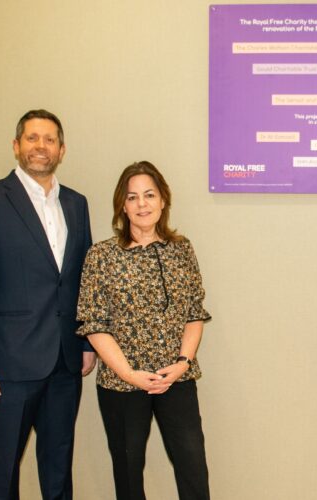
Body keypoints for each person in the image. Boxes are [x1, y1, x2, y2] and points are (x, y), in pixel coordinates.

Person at [0, 109, 96, 499]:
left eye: (49, 139)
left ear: (61, 150)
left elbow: (84, 281)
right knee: (2, 471)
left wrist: (86, 342)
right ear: (16, 146)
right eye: (32, 138)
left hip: (65, 363)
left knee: (58, 469)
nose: (41, 146)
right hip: (9, 366)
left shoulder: (76, 204)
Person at [77, 161, 211, 500]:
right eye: (132, 197)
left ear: (163, 200)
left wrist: (182, 363)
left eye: (149, 195)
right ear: (122, 205)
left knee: (193, 468)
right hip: (122, 384)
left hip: (176, 378)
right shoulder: (102, 255)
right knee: (128, 474)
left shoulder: (182, 249)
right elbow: (94, 323)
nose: (142, 204)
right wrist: (129, 374)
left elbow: (194, 314)